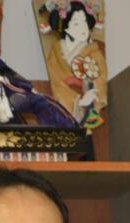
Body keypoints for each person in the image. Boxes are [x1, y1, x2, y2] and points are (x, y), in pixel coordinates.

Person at [41, 1, 108, 129]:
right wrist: (80, 102)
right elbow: (57, 86)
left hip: (89, 103)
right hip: (67, 109)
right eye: (76, 23)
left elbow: (101, 79)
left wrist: (86, 89)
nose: (83, 28)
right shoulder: (55, 54)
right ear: (65, 27)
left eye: (84, 22)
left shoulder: (95, 52)